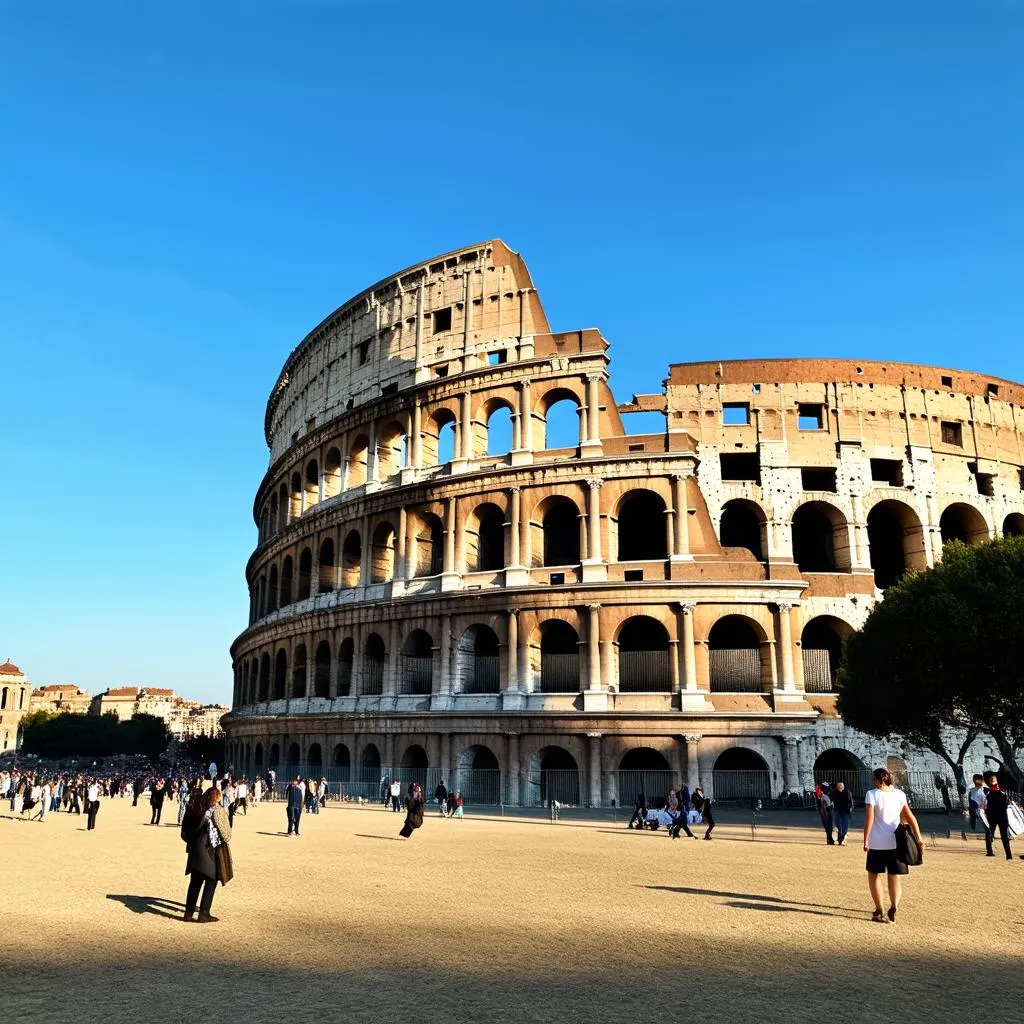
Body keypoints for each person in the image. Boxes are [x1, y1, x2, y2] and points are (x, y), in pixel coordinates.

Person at [863, 767, 925, 923]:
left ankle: (879, 909)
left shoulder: (872, 794)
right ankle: (894, 906)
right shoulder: (899, 794)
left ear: (877, 779)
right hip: (897, 842)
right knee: (894, 876)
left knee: (874, 875)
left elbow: (869, 820)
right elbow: (910, 817)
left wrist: (865, 840)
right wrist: (918, 837)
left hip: (877, 842)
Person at [182, 785, 232, 923]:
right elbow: (226, 834)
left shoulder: (196, 808)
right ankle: (204, 913)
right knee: (211, 881)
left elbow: (185, 830)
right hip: (208, 849)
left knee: (195, 882)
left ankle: (188, 913)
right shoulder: (216, 810)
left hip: (195, 849)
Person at [982, 771, 1013, 861]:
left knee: (1005, 836)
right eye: (991, 778)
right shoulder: (986, 791)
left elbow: (1006, 803)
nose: (993, 779)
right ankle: (989, 852)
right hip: (991, 816)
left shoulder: (1002, 791)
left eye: (994, 778)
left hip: (1003, 816)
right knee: (989, 834)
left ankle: (1009, 855)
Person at [832, 782, 853, 846]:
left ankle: (842, 839)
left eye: (841, 786)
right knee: (838, 826)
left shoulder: (847, 792)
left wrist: (851, 809)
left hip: (845, 811)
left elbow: (851, 801)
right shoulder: (834, 793)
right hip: (837, 811)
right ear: (837, 787)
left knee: (845, 827)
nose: (840, 787)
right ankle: (839, 840)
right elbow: (830, 799)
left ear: (843, 786)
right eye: (839, 786)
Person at [818, 781, 836, 845]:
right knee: (829, 826)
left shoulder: (822, 796)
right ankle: (830, 839)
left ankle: (829, 839)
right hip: (827, 812)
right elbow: (828, 806)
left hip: (823, 812)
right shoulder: (826, 796)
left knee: (827, 827)